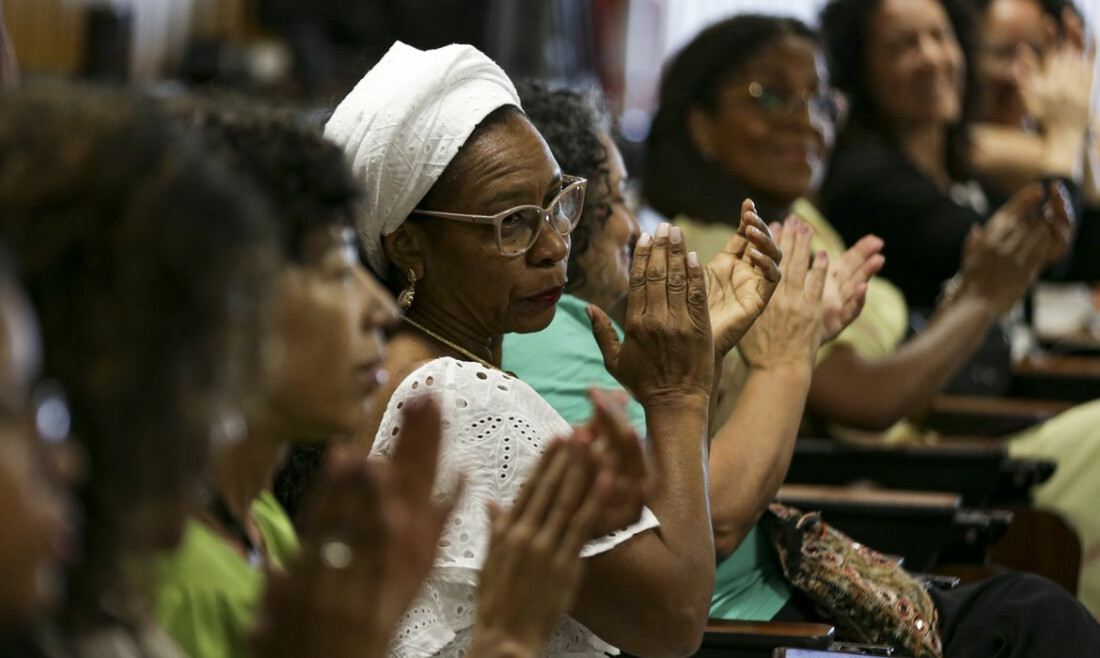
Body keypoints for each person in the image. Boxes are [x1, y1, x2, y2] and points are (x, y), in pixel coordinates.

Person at [642, 12, 1100, 653]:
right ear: (700, 125)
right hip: (892, 483)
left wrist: (976, 291)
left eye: (821, 97)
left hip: (934, 453)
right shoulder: (715, 253)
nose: (806, 120)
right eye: (770, 95)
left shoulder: (798, 217)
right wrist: (982, 300)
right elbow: (867, 402)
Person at [326, 41, 730, 658]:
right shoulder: (459, 397)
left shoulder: (400, 365)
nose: (552, 246)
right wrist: (679, 397)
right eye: (510, 223)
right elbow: (673, 618)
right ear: (408, 244)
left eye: (557, 204)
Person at [505, 81, 879, 624]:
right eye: (614, 199)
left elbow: (688, 471)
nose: (633, 227)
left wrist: (727, 357)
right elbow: (713, 519)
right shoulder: (544, 338)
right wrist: (783, 361)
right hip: (756, 627)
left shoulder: (582, 324)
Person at [818, 0, 1075, 312]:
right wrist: (1065, 138)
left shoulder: (964, 176)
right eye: (904, 45)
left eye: (940, 36)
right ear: (859, 67)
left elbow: (1067, 262)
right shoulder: (865, 179)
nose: (932, 57)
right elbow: (1021, 255)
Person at [968, 0, 1100, 280]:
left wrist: (1072, 128)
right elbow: (1047, 254)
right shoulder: (961, 145)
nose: (1020, 73)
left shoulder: (1047, 145)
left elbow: (1088, 255)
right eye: (1003, 53)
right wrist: (1067, 131)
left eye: (1038, 53)